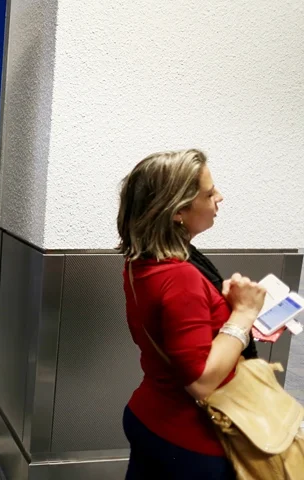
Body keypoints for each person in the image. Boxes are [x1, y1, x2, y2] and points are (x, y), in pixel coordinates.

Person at [116, 149, 266, 479]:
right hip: (190, 440)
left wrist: (223, 310)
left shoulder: (142, 261)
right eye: (209, 194)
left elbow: (178, 332)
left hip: (151, 416)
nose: (219, 197)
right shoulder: (181, 276)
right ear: (178, 212)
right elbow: (200, 382)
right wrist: (243, 314)